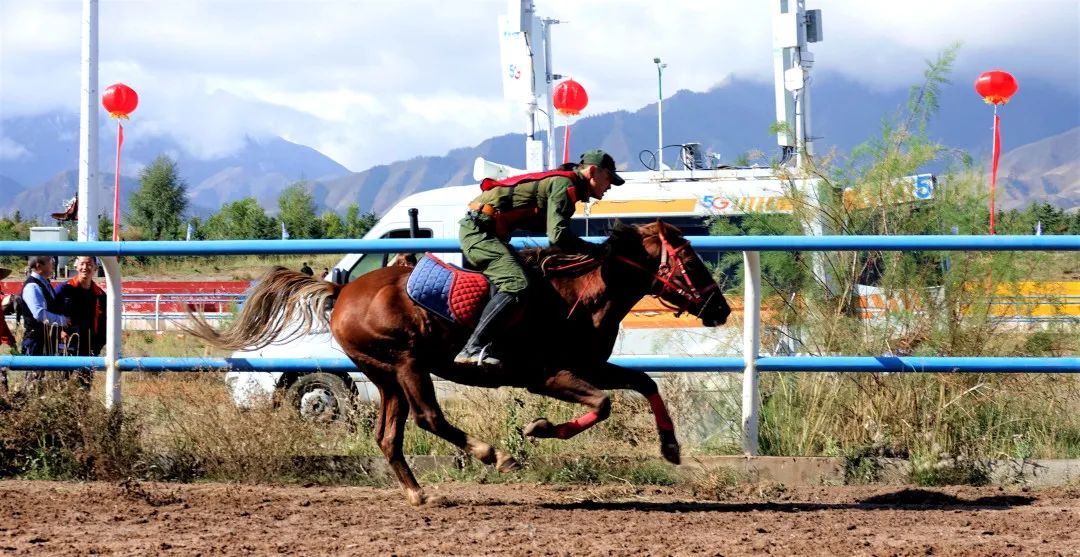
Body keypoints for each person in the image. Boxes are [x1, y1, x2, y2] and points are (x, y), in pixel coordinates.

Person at [454, 149, 624, 367]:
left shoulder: (566, 185)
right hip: (479, 232)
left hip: (488, 232)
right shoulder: (564, 186)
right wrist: (598, 251)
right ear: (592, 171)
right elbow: (558, 237)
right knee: (517, 283)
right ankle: (472, 348)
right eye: (608, 178)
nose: (609, 185)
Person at [55, 256, 108, 389]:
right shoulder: (64, 290)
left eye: (89, 264)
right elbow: (51, 314)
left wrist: (97, 347)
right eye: (82, 264)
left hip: (89, 348)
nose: (85, 268)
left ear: (96, 268)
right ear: (76, 267)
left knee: (84, 388)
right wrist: (59, 332)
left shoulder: (100, 295)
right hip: (66, 347)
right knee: (60, 386)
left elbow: (104, 325)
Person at [17, 256, 70, 388]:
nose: (53, 262)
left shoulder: (44, 283)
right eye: (49, 261)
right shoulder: (32, 286)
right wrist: (62, 320)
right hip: (36, 340)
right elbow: (39, 314)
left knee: (42, 382)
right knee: (34, 382)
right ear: (39, 266)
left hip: (44, 340)